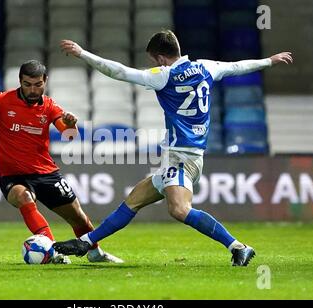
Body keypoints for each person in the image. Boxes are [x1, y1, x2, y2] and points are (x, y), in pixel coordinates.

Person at [53, 31, 293, 266]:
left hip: (182, 158)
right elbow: (237, 66)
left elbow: (119, 72)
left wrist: (83, 53)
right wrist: (269, 61)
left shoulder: (163, 75)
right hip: (186, 156)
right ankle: (86, 242)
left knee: (179, 209)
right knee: (134, 201)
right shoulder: (206, 67)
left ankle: (238, 247)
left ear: (159, 58)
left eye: (152, 60)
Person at [0, 60, 123, 264]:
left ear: (45, 81)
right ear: (20, 81)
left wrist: (71, 125)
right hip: (12, 176)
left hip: (46, 172)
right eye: (27, 84)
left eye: (37, 84)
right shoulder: (0, 101)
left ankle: (95, 253)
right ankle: (53, 252)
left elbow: (70, 135)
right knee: (23, 197)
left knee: (78, 217)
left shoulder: (49, 106)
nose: (32, 90)